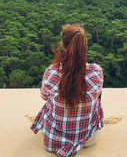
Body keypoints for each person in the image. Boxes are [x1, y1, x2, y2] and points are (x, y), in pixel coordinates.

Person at [31, 24, 104, 157]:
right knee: (97, 98)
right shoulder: (96, 72)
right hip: (89, 139)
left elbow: (44, 96)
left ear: (63, 45)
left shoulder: (52, 72)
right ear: (84, 47)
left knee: (49, 101)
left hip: (53, 140)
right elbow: (97, 95)